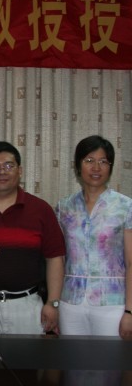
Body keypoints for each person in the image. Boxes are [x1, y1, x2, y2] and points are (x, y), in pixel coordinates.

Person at [0, 141, 65, 335]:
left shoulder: (40, 209)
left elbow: (55, 258)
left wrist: (53, 303)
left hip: (28, 306)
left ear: (20, 170)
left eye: (9, 165)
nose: (2, 171)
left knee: (28, 356)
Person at [56, 135, 132, 338]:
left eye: (103, 161)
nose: (96, 168)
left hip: (112, 302)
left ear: (110, 167)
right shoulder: (64, 207)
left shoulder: (125, 206)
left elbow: (131, 262)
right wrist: (54, 303)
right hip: (70, 301)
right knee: (72, 357)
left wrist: (130, 311)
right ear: (78, 166)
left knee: (111, 357)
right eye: (89, 160)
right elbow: (58, 260)